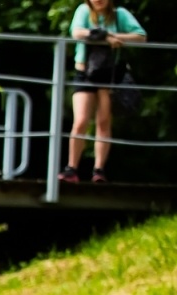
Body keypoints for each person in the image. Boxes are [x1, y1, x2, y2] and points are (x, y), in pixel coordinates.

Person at [64, 0, 145, 182]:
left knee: (103, 121)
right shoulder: (84, 10)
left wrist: (117, 37)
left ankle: (99, 170)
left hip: (109, 74)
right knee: (81, 121)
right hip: (84, 72)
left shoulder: (120, 14)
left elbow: (141, 36)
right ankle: (72, 168)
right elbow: (76, 32)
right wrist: (105, 36)